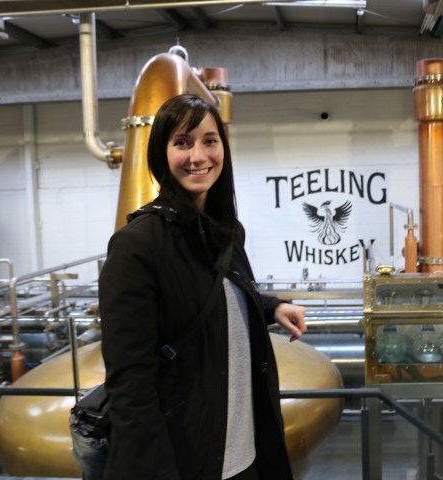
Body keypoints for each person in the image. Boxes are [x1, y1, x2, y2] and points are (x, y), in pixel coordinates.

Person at [98, 94, 306, 480]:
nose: (198, 156)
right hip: (186, 460)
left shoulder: (227, 232)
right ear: (161, 154)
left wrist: (271, 307)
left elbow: (209, 293)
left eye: (210, 140)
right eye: (182, 142)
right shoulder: (137, 246)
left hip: (244, 454)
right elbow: (130, 385)